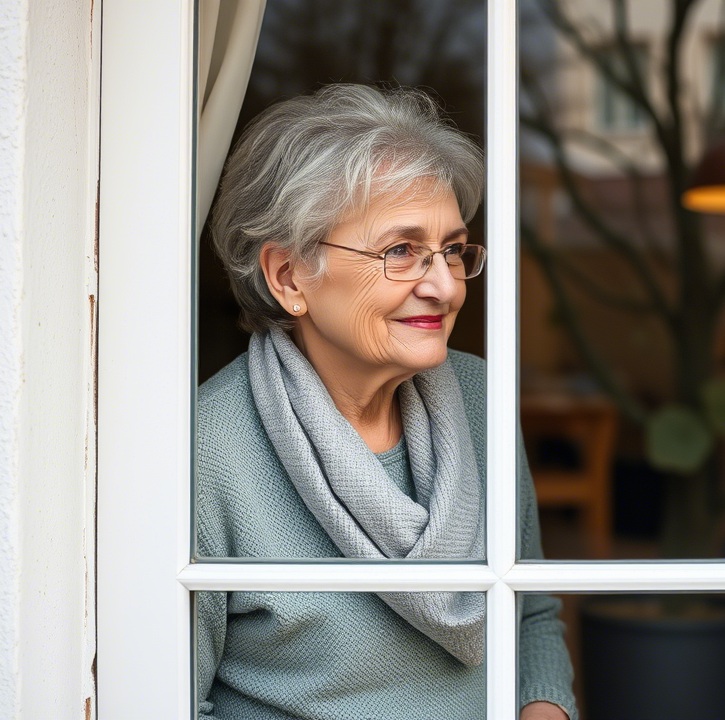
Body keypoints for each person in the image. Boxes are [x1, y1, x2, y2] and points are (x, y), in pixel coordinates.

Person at [194, 83, 576, 720]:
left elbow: (530, 608)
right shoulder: (205, 451)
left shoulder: (479, 396)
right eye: (401, 251)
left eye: (453, 250)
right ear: (288, 276)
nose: (445, 286)